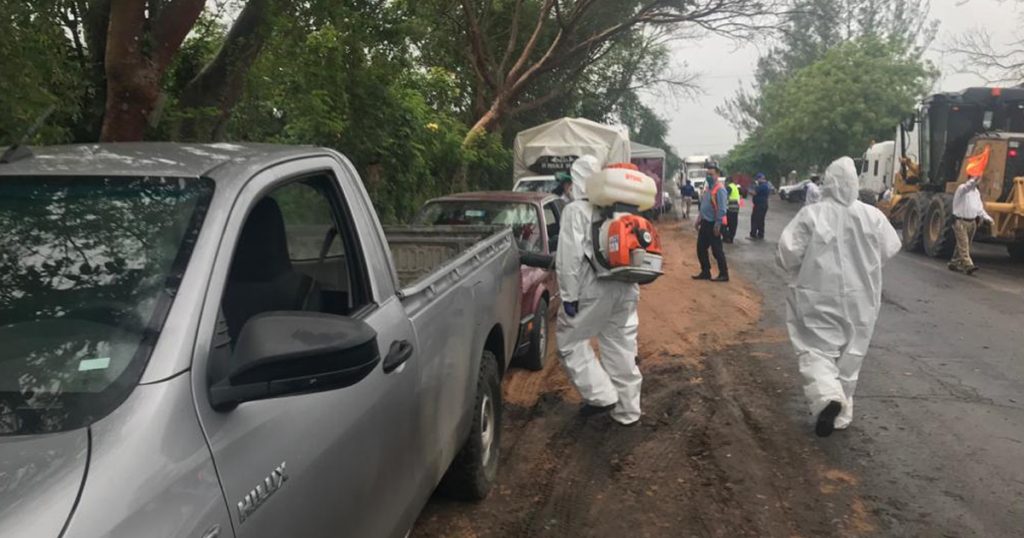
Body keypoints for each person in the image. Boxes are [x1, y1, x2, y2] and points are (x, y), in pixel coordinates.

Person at [776, 157, 901, 437]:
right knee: (850, 356)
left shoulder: (811, 215)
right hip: (862, 298)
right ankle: (840, 414)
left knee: (816, 350)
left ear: (828, 183)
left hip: (816, 294)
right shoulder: (873, 216)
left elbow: (787, 255)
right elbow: (890, 248)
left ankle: (827, 399)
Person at [555, 155, 643, 426]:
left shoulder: (576, 211)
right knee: (620, 346)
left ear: (577, 179)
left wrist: (569, 296)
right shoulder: (621, 209)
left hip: (594, 289)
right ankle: (628, 412)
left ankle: (602, 396)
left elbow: (568, 259)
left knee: (569, 341)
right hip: (627, 286)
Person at [949, 176, 994, 275]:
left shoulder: (976, 193)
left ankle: (954, 262)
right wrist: (976, 177)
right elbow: (968, 186)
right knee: (964, 243)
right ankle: (968, 265)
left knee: (964, 244)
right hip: (960, 221)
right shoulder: (962, 189)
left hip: (972, 222)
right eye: (975, 179)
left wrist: (988, 218)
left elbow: (979, 209)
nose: (978, 181)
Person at [692, 167, 729, 282]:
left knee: (717, 250)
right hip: (705, 222)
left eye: (711, 174)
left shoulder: (720, 189)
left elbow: (722, 209)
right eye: (707, 174)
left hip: (714, 223)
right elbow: (704, 205)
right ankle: (705, 271)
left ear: (717, 175)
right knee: (701, 248)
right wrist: (699, 219)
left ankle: (724, 274)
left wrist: (718, 224)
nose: (708, 176)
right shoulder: (708, 188)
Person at [749, 173, 771, 240]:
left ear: (761, 178)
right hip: (762, 205)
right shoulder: (765, 185)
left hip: (760, 205)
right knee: (760, 220)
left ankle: (753, 234)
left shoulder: (762, 186)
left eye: (758, 179)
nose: (757, 180)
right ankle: (760, 234)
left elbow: (754, 193)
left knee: (755, 219)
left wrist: (748, 190)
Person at [724, 177, 741, 243]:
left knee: (725, 224)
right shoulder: (735, 186)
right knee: (733, 223)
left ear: (728, 182)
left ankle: (727, 237)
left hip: (730, 207)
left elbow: (725, 196)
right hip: (736, 207)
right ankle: (731, 238)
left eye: (725, 182)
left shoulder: (729, 187)